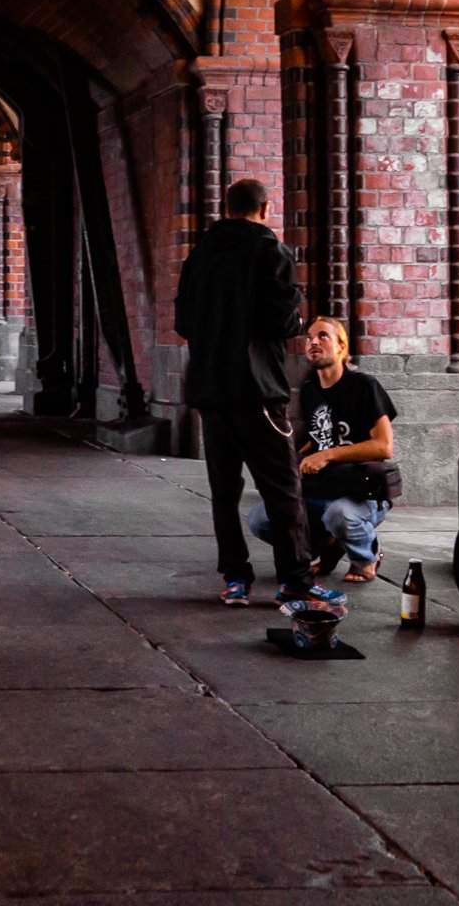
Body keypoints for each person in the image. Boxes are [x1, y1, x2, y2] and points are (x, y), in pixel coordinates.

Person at [174, 177, 338, 610]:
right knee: (283, 487)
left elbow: (183, 324)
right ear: (265, 209)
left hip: (210, 391)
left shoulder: (198, 257)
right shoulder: (270, 250)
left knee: (224, 490)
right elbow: (283, 323)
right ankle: (296, 580)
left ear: (227, 209)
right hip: (257, 389)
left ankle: (235, 579)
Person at [250, 317, 398, 584]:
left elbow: (383, 446)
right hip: (323, 487)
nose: (313, 342)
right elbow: (317, 438)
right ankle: (329, 546)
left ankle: (367, 557)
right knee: (260, 519)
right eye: (308, 338)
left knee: (339, 515)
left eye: (322, 336)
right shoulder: (309, 390)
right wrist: (293, 461)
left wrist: (327, 455)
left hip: (362, 491)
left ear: (341, 347)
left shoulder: (364, 386)